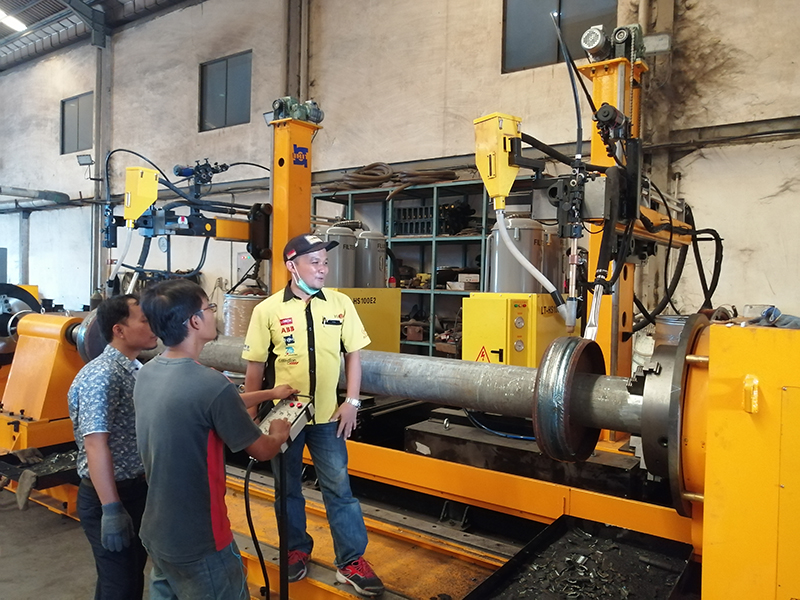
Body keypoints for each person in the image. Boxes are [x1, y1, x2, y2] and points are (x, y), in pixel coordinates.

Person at [243, 233, 385, 597]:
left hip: (328, 418)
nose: (323, 269)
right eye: (315, 262)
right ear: (292, 266)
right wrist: (252, 416)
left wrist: (352, 401)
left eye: (325, 262)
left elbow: (354, 355)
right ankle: (295, 549)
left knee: (340, 490)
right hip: (284, 420)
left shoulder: (340, 304)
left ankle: (351, 561)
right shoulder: (267, 311)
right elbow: (255, 367)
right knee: (287, 489)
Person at [134, 279, 293, 600]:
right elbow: (262, 450)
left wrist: (270, 393)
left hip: (158, 531)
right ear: (194, 321)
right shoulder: (210, 384)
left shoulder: (148, 373)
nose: (214, 314)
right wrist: (279, 432)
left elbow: (210, 405)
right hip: (201, 539)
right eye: (209, 307)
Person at [67, 294, 159, 599]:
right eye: (144, 320)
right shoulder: (102, 375)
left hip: (135, 490)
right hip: (109, 496)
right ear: (119, 330)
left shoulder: (133, 368)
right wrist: (111, 508)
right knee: (120, 586)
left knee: (126, 579)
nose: (153, 326)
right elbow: (95, 444)